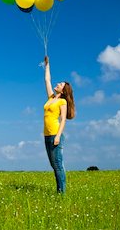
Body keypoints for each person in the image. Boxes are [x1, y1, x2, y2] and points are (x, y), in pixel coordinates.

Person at [43, 55, 75, 194]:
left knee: (58, 165)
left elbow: (63, 120)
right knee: (53, 164)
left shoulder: (63, 102)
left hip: (55, 134)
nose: (57, 84)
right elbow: (47, 80)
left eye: (60, 84)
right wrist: (47, 65)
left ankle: (61, 193)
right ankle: (59, 191)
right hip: (47, 134)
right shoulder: (51, 98)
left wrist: (58, 136)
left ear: (63, 90)